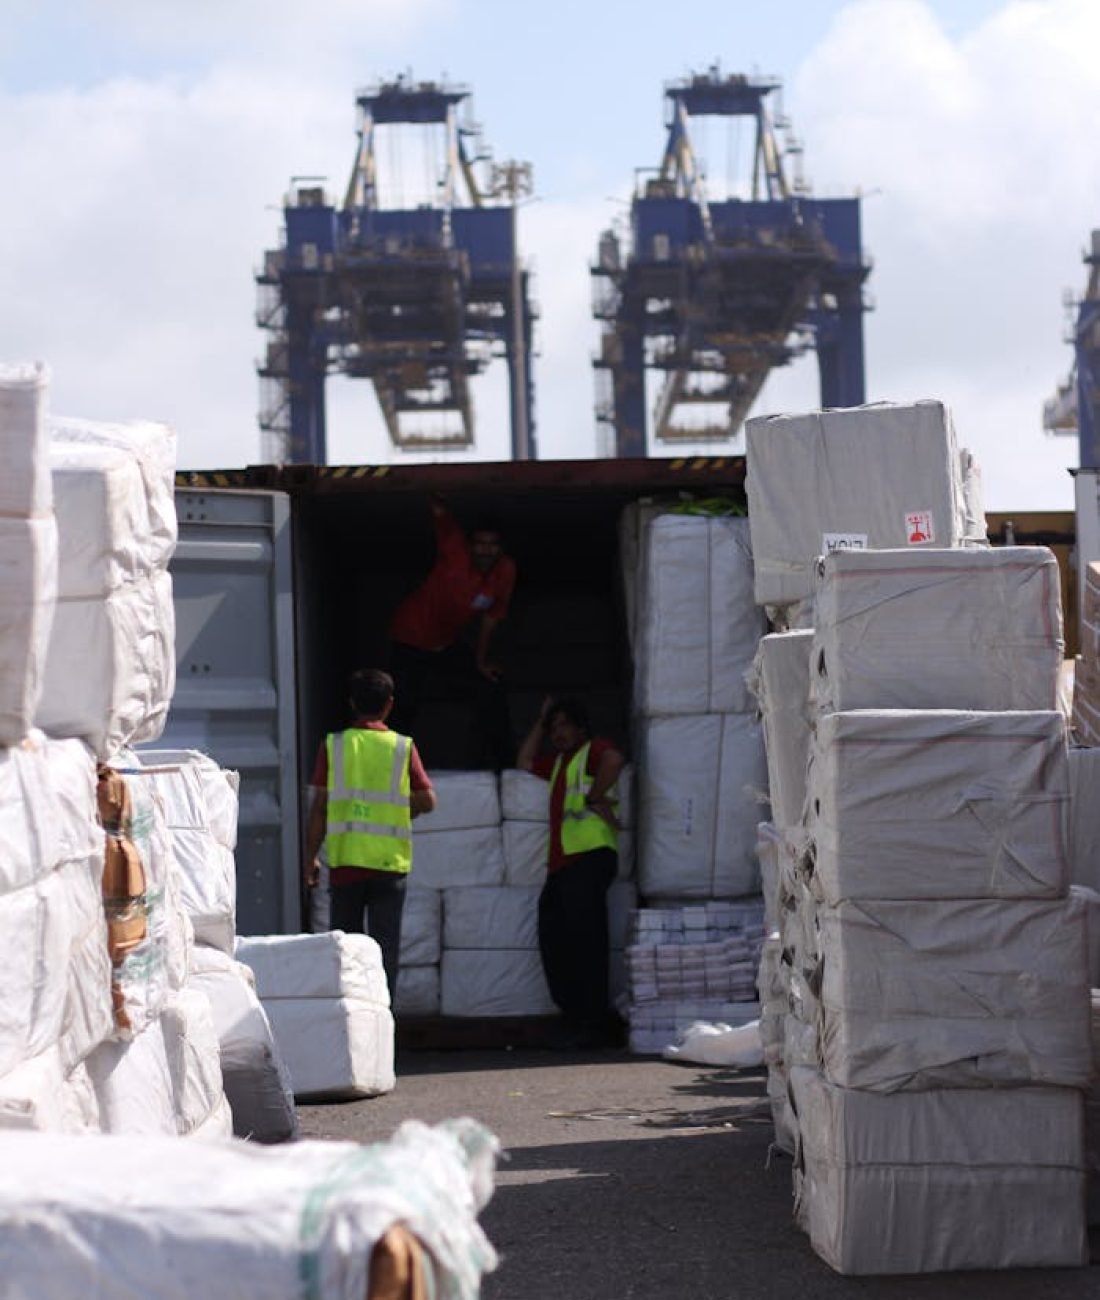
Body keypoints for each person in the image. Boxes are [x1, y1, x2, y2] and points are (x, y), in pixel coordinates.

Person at [304, 668, 436, 1000]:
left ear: (351, 703)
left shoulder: (334, 746)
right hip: (390, 867)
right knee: (384, 952)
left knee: (348, 954)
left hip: (347, 866)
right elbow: (428, 801)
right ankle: (382, 1022)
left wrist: (310, 859)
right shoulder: (402, 747)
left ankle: (352, 1021)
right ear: (389, 705)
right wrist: (397, 810)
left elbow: (319, 807)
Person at [517, 695, 626, 1048]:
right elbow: (525, 761)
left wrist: (595, 796)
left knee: (585, 943)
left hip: (589, 858)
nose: (558, 733)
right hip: (563, 863)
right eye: (554, 728)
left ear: (581, 727)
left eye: (565, 725)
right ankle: (575, 1013)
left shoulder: (592, 751)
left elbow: (614, 759)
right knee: (556, 937)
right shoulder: (560, 763)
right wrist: (540, 719)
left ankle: (592, 1021)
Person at [387, 495, 516, 770]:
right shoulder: (455, 551)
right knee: (402, 706)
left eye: (493, 545)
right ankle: (390, 769)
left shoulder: (505, 571)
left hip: (445, 645)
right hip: (410, 639)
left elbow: (491, 618)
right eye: (480, 544)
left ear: (501, 549)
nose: (486, 551)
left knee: (489, 688)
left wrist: (480, 662)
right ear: (471, 546)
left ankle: (505, 766)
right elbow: (440, 512)